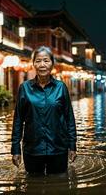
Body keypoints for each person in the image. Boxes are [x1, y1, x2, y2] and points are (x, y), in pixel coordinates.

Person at [11, 46, 77, 175]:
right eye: (38, 60)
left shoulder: (61, 87)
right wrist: (15, 149)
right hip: (33, 149)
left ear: (52, 64)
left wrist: (72, 145)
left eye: (46, 61)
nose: (42, 65)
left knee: (59, 185)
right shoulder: (24, 88)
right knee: (32, 185)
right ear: (33, 63)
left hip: (58, 148)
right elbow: (18, 120)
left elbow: (69, 118)